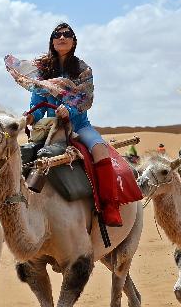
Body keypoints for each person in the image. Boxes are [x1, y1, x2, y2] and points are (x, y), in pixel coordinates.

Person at [17, 22, 123, 227]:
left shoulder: (83, 70)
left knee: (100, 149)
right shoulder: (41, 70)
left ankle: (110, 205)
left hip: (79, 126)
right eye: (57, 34)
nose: (62, 37)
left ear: (74, 41)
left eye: (67, 34)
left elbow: (86, 99)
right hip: (48, 126)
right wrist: (30, 116)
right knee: (24, 154)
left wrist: (69, 110)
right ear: (52, 40)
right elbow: (37, 102)